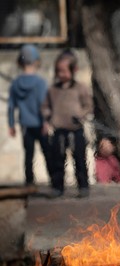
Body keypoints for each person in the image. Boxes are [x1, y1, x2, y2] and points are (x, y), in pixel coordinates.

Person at [41, 49, 93, 198]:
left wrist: (81, 115)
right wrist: (47, 118)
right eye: (59, 71)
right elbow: (45, 107)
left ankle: (83, 187)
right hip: (59, 131)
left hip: (76, 130)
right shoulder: (52, 90)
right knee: (57, 160)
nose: (61, 74)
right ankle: (57, 188)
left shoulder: (80, 88)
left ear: (74, 70)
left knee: (80, 160)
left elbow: (88, 106)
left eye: (64, 71)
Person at [8, 44, 53, 187]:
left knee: (28, 155)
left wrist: (11, 124)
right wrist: (46, 121)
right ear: (36, 61)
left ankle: (29, 183)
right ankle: (55, 181)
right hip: (40, 123)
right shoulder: (40, 83)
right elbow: (43, 104)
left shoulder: (15, 83)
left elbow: (11, 106)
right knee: (47, 153)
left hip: (25, 124)